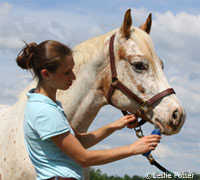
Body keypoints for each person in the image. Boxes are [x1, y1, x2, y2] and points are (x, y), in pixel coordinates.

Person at [16, 40, 161, 180]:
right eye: (67, 72)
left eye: (72, 70)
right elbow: (83, 158)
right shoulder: (44, 111)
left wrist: (115, 126)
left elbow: (79, 141)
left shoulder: (49, 105)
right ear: (46, 74)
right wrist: (133, 149)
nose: (73, 77)